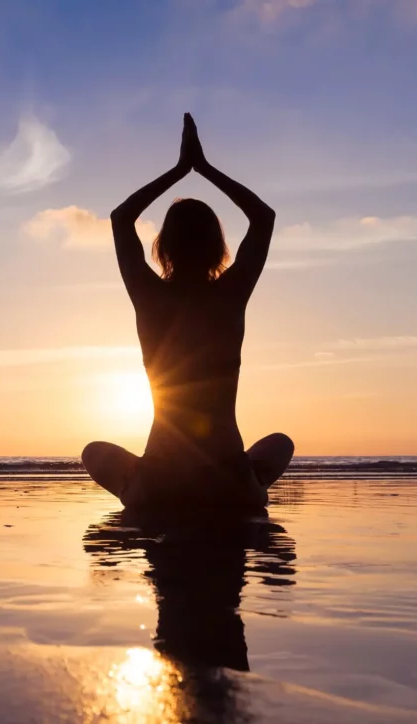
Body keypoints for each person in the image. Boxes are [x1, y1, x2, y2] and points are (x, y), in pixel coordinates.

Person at [82, 113, 294, 511]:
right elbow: (263, 218)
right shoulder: (231, 294)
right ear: (218, 249)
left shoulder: (148, 295)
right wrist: (205, 169)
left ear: (163, 248)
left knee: (94, 451)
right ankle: (254, 485)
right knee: (280, 444)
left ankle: (139, 489)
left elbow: (121, 217)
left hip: (160, 485)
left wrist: (179, 170)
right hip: (229, 485)